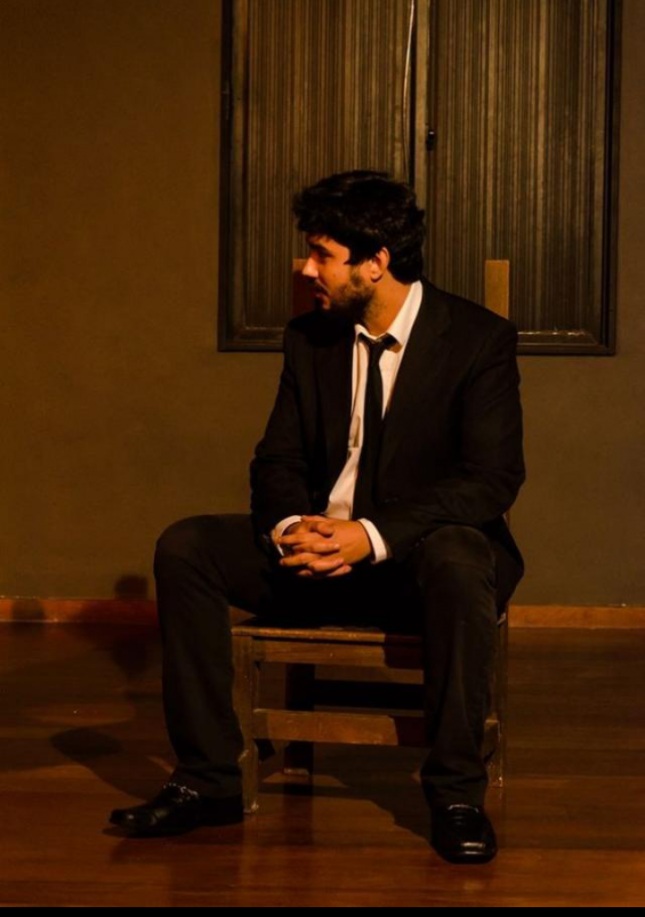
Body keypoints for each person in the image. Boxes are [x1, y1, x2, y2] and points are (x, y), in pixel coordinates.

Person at [109, 170, 525, 864]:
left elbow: (491, 480)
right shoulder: (311, 338)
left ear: (376, 261)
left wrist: (369, 536)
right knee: (186, 546)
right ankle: (209, 778)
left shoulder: (478, 339)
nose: (306, 270)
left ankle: (455, 793)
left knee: (459, 556)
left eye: (321, 254)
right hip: (316, 556)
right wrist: (290, 529)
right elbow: (276, 459)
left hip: (415, 563)